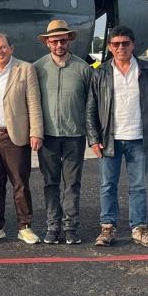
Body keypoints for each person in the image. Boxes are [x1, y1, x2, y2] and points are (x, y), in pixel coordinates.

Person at [86, 26, 148, 248]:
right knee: (107, 185)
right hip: (110, 138)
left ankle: (139, 228)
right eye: (116, 44)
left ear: (133, 45)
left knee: (138, 186)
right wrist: (93, 138)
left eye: (125, 43)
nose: (121, 47)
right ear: (110, 47)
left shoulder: (147, 70)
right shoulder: (100, 72)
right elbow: (91, 107)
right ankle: (107, 228)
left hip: (138, 138)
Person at [32, 19, 93, 244]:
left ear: (69, 41)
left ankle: (70, 227)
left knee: (73, 183)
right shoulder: (37, 68)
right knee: (50, 183)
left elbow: (91, 103)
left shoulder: (83, 69)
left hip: (74, 136)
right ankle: (52, 225)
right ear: (47, 43)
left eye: (63, 40)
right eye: (54, 41)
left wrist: (90, 133)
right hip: (47, 135)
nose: (59, 44)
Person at [0, 33, 42, 244]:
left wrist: (35, 132)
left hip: (14, 135)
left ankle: (25, 225)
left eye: (3, 47)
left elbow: (33, 103)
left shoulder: (24, 69)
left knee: (19, 182)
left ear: (11, 48)